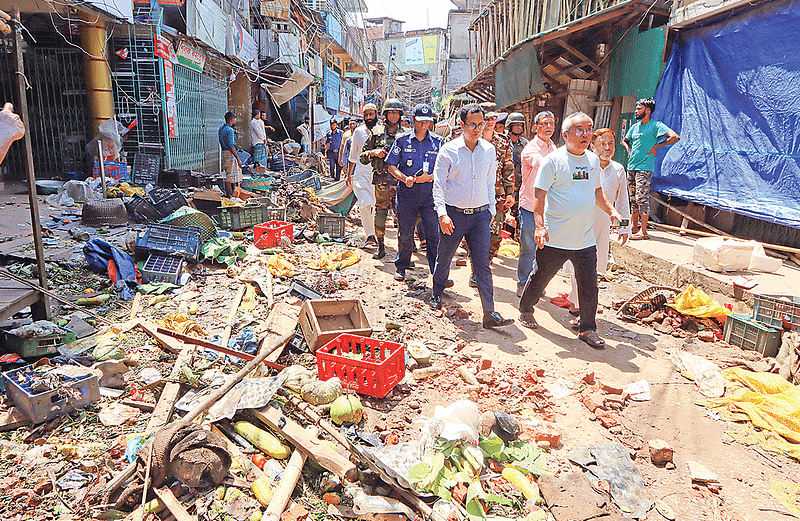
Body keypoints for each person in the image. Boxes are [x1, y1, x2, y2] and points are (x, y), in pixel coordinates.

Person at [517, 112, 623, 349]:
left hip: (584, 238)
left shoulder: (593, 161)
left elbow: (598, 192)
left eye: (588, 129)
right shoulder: (553, 161)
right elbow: (539, 196)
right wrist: (540, 227)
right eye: (579, 129)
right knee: (540, 277)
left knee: (589, 284)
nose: (585, 134)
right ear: (565, 135)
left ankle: (588, 328)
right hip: (556, 236)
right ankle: (525, 309)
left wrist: (612, 211)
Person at [431, 103, 514, 329]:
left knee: (482, 264)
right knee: (445, 256)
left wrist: (490, 212)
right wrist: (442, 214)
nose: (477, 129)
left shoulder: (489, 150)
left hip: (479, 217)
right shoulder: (448, 150)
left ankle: (489, 313)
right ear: (462, 125)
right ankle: (436, 294)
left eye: (481, 124)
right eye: (472, 125)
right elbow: (438, 186)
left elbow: (489, 183)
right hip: (453, 216)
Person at [566, 128, 630, 316]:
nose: (607, 148)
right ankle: (580, 305)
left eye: (611, 144)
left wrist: (624, 228)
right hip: (580, 222)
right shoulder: (583, 166)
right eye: (602, 144)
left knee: (595, 267)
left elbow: (622, 200)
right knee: (576, 264)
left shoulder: (618, 170)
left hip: (603, 225)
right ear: (593, 146)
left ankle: (577, 303)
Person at [386, 103, 444, 281]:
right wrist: (404, 178)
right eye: (420, 122)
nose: (424, 125)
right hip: (407, 194)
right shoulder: (402, 140)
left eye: (427, 122)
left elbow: (445, 169)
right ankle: (402, 266)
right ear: (413, 120)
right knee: (406, 233)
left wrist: (431, 177)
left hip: (430, 195)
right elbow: (391, 166)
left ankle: (436, 272)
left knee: (434, 234)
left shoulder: (439, 142)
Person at [468, 104, 513, 287]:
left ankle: (485, 266)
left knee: (494, 237)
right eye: (487, 118)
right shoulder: (471, 140)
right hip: (476, 195)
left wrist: (510, 193)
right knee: (476, 235)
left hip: (497, 196)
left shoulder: (503, 142)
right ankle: (475, 271)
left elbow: (508, 169)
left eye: (494, 118)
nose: (490, 122)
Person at [621, 98, 680, 240]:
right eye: (636, 108)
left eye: (639, 108)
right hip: (632, 166)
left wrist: (656, 146)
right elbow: (624, 140)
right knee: (633, 198)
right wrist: (629, 150)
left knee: (642, 198)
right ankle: (634, 227)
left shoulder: (656, 125)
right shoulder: (635, 127)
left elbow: (675, 137)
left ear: (648, 111)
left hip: (644, 168)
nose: (636, 111)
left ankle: (644, 231)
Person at [517, 111, 557, 297]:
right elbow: (544, 164)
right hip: (529, 206)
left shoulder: (553, 147)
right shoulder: (530, 149)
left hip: (549, 207)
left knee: (544, 250)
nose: (549, 127)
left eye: (551, 123)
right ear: (536, 127)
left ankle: (536, 285)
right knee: (528, 248)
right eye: (545, 123)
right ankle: (523, 284)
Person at [359, 98, 404, 260]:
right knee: (380, 215)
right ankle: (381, 246)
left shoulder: (405, 135)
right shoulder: (376, 133)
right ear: (385, 114)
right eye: (390, 112)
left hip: (401, 183)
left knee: (404, 217)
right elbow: (362, 157)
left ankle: (404, 251)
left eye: (396, 112)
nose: (393, 115)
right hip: (382, 182)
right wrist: (374, 153)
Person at [348, 104, 380, 245]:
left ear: (376, 114)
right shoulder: (358, 132)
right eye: (366, 115)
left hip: (378, 174)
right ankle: (370, 235)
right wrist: (349, 174)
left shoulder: (382, 131)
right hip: (361, 174)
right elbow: (353, 155)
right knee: (364, 202)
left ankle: (375, 233)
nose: (368, 117)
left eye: (371, 114)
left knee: (374, 204)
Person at [506, 112, 528, 238]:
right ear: (509, 126)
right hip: (504, 183)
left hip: (520, 184)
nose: (519, 128)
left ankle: (519, 240)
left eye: (521, 125)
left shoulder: (525, 144)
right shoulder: (502, 141)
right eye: (516, 125)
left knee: (520, 215)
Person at [218, 111, 242, 197]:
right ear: (232, 120)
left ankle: (231, 194)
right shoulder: (230, 130)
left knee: (230, 174)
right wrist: (238, 158)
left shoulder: (221, 129)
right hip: (230, 153)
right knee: (230, 176)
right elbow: (232, 145)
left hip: (224, 152)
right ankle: (229, 196)